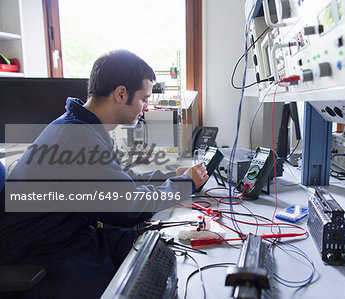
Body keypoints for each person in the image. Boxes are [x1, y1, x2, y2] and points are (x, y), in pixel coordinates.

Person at [0, 49, 208, 298]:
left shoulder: (79, 125)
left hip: (63, 236)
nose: (146, 107)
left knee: (151, 244)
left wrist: (173, 174)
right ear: (121, 94)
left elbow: (123, 178)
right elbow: (130, 207)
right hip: (37, 254)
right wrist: (185, 184)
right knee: (149, 266)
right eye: (144, 98)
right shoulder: (78, 137)